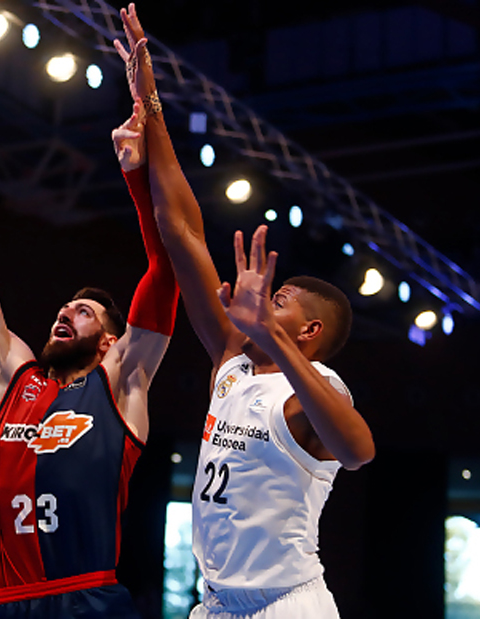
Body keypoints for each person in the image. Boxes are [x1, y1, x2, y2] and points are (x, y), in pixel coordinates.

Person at [114, 5, 377, 618]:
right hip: (215, 605)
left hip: (288, 604)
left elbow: (360, 450)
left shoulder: (316, 389)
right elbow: (179, 229)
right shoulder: (233, 362)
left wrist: (270, 338)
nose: (263, 298)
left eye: (279, 301)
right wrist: (150, 105)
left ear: (309, 332)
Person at [0, 97, 178, 617]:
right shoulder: (9, 376)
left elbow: (165, 270)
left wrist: (138, 173)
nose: (67, 310)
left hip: (88, 598)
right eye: (66, 306)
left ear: (110, 343)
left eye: (86, 312)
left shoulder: (120, 381)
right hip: (5, 602)